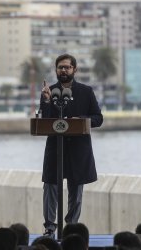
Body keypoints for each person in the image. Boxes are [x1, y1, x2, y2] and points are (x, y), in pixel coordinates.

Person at [40, 53, 103, 236]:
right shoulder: (48, 91)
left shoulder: (86, 91)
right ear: (56, 70)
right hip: (55, 149)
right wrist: (46, 101)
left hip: (78, 151)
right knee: (50, 187)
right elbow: (45, 120)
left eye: (67, 67)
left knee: (76, 191)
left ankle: (71, 228)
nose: (64, 70)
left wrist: (80, 120)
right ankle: (49, 228)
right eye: (60, 67)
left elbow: (98, 118)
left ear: (75, 69)